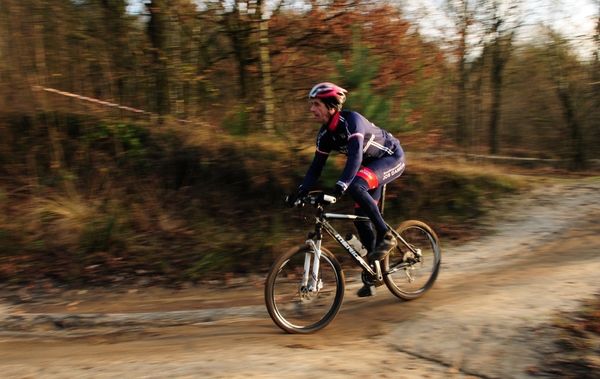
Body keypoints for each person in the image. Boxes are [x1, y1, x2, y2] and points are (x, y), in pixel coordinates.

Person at [287, 82, 406, 297]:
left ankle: (387, 234)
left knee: (355, 185)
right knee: (361, 217)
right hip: (371, 167)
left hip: (391, 158)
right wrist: (301, 191)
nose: (312, 109)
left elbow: (355, 156)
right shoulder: (325, 135)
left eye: (316, 104)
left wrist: (340, 187)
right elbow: (316, 166)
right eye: (312, 104)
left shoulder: (351, 121)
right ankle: (375, 272)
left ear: (331, 106)